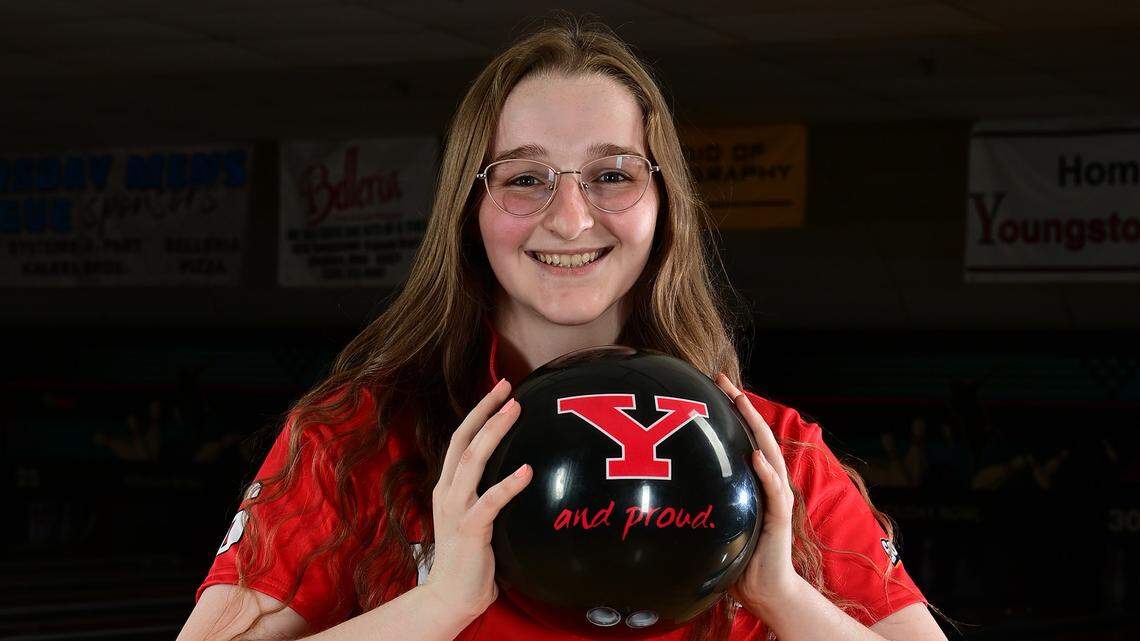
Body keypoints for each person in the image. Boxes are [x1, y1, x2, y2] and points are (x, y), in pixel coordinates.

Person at [176, 16, 948, 641]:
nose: (572, 216)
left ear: (662, 202)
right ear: (470, 210)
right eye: (524, 177)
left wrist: (780, 594)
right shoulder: (359, 438)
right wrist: (437, 602)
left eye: (613, 173)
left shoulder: (774, 456)